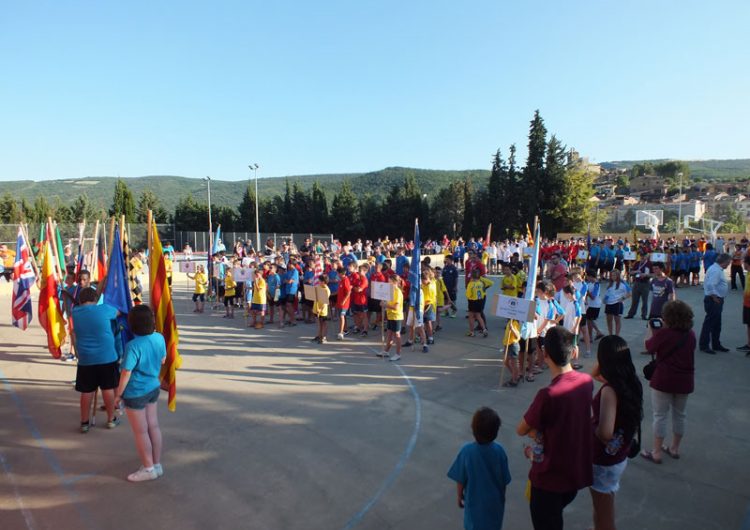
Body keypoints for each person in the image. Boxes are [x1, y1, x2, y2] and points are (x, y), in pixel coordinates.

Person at [517, 326, 594, 530]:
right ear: (574, 351)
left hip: (549, 480)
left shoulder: (548, 394)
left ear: (545, 354)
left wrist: (537, 432)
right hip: (574, 475)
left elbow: (522, 429)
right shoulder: (586, 382)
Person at [590, 335, 643, 530]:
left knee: (603, 508)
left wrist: (589, 426)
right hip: (619, 454)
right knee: (606, 499)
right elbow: (595, 374)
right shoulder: (630, 382)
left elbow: (604, 433)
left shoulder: (609, 391)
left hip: (604, 460)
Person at [114, 305, 167, 482]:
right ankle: (156, 464)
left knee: (141, 432)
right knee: (153, 426)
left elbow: (126, 372)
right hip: (153, 388)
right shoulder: (159, 338)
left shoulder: (133, 346)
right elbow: (163, 359)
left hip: (136, 392)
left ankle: (148, 468)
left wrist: (118, 394)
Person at [641, 300, 695, 464]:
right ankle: (675, 448)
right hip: (685, 379)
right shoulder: (690, 334)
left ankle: (656, 451)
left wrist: (652, 330)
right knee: (680, 415)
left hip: (664, 379)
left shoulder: (664, 334)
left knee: (660, 416)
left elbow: (649, 347)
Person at [447, 407, 512, 530]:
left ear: (473, 430)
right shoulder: (499, 451)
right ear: (496, 432)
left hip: (474, 506)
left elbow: (460, 479)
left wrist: (459, 496)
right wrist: (501, 497)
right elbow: (504, 481)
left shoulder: (467, 452)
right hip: (495, 505)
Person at [71, 287, 121, 433]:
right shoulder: (104, 309)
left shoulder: (76, 312)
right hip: (107, 357)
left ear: (81, 300)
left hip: (86, 358)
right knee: (107, 388)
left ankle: (84, 422)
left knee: (87, 391)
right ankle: (111, 419)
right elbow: (118, 312)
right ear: (95, 299)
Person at [699, 253, 731, 354]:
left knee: (717, 323)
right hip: (714, 300)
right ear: (724, 262)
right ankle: (704, 345)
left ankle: (716, 344)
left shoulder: (715, 268)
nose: (728, 264)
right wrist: (714, 296)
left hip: (716, 299)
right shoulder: (716, 270)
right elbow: (710, 284)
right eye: (728, 263)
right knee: (710, 323)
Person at [378, 275, 404, 361]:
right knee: (389, 334)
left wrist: (386, 305)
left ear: (395, 282)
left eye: (390, 282)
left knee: (397, 335)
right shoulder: (390, 291)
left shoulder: (397, 292)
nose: (388, 283)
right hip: (390, 315)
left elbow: (396, 307)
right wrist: (383, 302)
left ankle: (398, 354)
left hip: (396, 316)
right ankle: (386, 351)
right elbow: (387, 302)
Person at [466, 269, 493, 338]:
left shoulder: (471, 284)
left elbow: (468, 295)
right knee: (478, 316)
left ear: (471, 276)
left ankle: (472, 332)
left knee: (471, 317)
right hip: (480, 301)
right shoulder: (481, 283)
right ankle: (484, 329)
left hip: (473, 301)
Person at [603, 270, 631, 336]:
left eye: (614, 275)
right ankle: (610, 334)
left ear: (618, 275)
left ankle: (617, 335)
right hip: (609, 303)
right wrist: (605, 299)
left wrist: (623, 298)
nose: (613, 277)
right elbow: (608, 293)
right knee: (609, 320)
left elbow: (629, 293)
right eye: (612, 275)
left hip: (617, 303)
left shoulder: (623, 283)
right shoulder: (610, 283)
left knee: (617, 320)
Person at [625, 255, 650, 320]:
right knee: (634, 300)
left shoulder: (649, 264)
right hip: (636, 283)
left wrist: (646, 275)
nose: (642, 258)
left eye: (644, 256)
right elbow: (630, 272)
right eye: (641, 257)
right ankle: (631, 314)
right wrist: (636, 272)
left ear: (646, 257)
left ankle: (644, 315)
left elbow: (653, 274)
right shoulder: (637, 263)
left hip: (645, 284)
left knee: (645, 301)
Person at [312, 275, 331, 343]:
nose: (318, 282)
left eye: (319, 281)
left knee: (324, 323)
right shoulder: (318, 287)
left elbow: (325, 302)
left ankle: (324, 337)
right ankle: (319, 335)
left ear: (323, 282)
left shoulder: (327, 290)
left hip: (322, 310)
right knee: (319, 323)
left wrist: (320, 309)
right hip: (316, 308)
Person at [740, 255, 750, 355]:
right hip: (746, 304)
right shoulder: (747, 274)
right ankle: (748, 344)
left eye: (744, 263)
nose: (743, 264)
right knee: (748, 325)